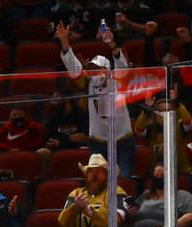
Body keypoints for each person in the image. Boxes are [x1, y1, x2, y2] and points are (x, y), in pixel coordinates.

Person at [56, 21, 135, 181]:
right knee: (97, 180)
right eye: (91, 69)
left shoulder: (118, 80)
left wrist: (112, 44)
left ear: (107, 70)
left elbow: (122, 65)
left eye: (97, 68)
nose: (94, 72)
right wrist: (64, 41)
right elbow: (73, 67)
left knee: (123, 179)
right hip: (98, 141)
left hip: (122, 138)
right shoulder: (88, 82)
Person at [57, 153, 128, 227]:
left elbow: (118, 218)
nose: (94, 175)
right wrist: (75, 208)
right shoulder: (76, 193)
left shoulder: (115, 191)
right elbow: (62, 222)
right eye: (91, 171)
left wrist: (91, 213)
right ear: (86, 175)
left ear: (107, 175)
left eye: (99, 171)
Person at [127, 164, 192, 227]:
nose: (159, 179)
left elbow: (191, 217)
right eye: (156, 176)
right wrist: (130, 213)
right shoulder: (146, 195)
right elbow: (135, 214)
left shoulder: (183, 196)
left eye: (162, 176)